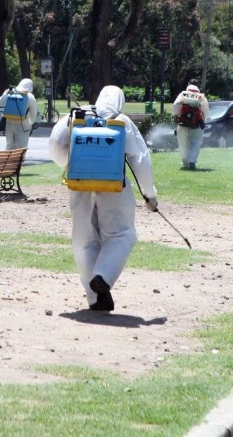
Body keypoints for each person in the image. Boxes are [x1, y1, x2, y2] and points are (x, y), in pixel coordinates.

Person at [49, 85, 158, 312]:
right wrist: (150, 195)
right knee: (122, 235)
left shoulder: (76, 116)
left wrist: (73, 163)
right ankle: (103, 277)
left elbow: (56, 146)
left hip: (79, 186)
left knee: (84, 241)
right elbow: (141, 160)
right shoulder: (123, 121)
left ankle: (94, 297)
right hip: (114, 188)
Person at [171, 80, 210, 170]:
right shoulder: (201, 98)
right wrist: (203, 120)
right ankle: (192, 161)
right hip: (197, 126)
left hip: (182, 125)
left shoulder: (182, 95)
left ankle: (185, 162)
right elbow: (206, 111)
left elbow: (176, 106)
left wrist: (175, 118)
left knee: (183, 145)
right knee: (196, 143)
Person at [0, 79, 39, 149]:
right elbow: (34, 113)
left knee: (10, 145)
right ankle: (18, 160)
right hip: (23, 124)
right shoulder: (30, 96)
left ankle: (9, 159)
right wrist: (31, 123)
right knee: (21, 148)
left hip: (9, 123)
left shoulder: (9, 91)